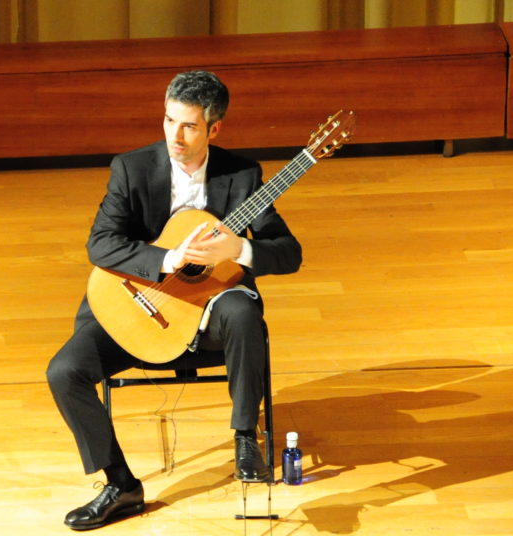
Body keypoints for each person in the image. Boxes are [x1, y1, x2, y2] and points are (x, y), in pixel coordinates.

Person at [46, 70, 302, 530]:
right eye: (168, 121)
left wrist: (239, 249)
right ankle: (121, 485)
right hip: (139, 306)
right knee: (64, 372)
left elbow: (289, 253)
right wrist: (167, 259)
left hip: (209, 318)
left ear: (214, 129)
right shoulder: (132, 168)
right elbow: (100, 244)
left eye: (188, 126)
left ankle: (246, 436)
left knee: (243, 311)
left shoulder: (243, 175)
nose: (175, 136)